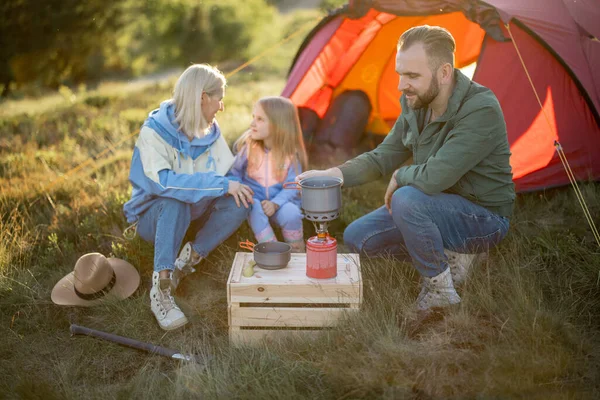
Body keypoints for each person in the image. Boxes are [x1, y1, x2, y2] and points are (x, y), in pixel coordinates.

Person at [298, 25, 515, 312]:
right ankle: (451, 255)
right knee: (358, 238)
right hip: (432, 204)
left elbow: (436, 177)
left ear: (445, 73)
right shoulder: (416, 102)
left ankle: (440, 291)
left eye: (412, 76)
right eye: (401, 74)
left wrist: (401, 176)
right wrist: (332, 175)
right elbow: (382, 157)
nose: (402, 85)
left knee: (406, 197)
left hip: (482, 218)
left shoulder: (480, 108)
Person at [123, 64, 254, 330]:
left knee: (239, 201)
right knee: (175, 200)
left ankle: (189, 258)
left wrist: (242, 174)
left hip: (193, 213)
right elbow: (164, 184)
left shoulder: (210, 130)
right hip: (155, 218)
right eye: (219, 99)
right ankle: (161, 287)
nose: (221, 106)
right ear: (203, 97)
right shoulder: (154, 132)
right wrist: (220, 184)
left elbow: (227, 176)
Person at [229, 96, 308, 252]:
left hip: (280, 204)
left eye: (259, 119)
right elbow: (234, 172)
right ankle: (273, 249)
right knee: (254, 206)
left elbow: (293, 185)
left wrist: (276, 203)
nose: (252, 123)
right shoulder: (249, 147)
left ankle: (297, 251)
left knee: (292, 213)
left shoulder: (290, 154)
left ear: (278, 125)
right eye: (253, 117)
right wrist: (240, 189)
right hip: (254, 201)